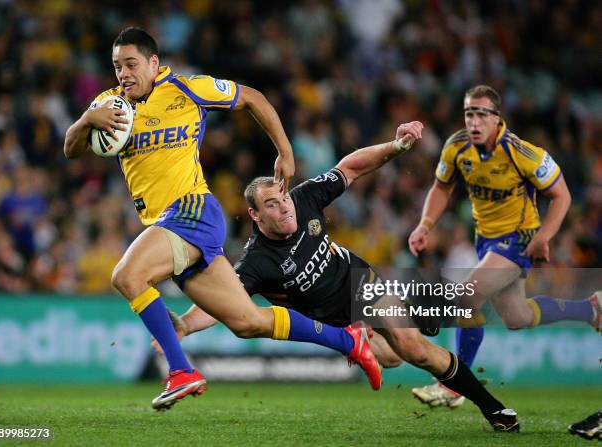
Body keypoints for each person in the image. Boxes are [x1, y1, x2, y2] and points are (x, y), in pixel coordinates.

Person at [63, 27, 381, 411]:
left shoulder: (187, 89)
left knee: (127, 276)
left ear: (153, 63)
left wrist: (284, 149)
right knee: (247, 321)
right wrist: (86, 119)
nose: (124, 74)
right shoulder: (108, 105)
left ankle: (181, 370)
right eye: (117, 67)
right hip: (165, 224)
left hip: (193, 210)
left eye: (131, 64)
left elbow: (253, 98)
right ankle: (349, 342)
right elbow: (71, 149)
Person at [156, 121, 521, 433]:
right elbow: (225, 304)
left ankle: (493, 408)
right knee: (391, 359)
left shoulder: (303, 198)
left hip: (360, 283)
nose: (284, 207)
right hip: (338, 321)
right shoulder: (257, 263)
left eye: (282, 198)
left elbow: (351, 168)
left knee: (412, 348)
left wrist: (396, 146)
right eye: (271, 205)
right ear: (254, 215)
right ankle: (415, 313)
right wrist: (185, 325)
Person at [408, 85, 601, 408]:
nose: (474, 121)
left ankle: (455, 385)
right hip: (486, 241)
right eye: (470, 113)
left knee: (469, 295)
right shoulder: (456, 147)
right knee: (517, 316)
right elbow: (441, 188)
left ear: (498, 119)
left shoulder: (522, 152)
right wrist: (425, 224)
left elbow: (562, 195)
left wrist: (544, 237)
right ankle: (591, 308)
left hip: (519, 240)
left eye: (482, 114)